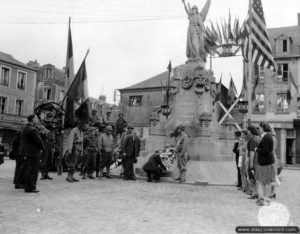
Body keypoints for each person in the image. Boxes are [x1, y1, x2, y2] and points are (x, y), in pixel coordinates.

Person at [22, 114, 44, 193]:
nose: (37, 120)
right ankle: (31, 187)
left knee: (29, 169)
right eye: (36, 118)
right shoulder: (33, 129)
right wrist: (42, 148)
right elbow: (39, 141)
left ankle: (28, 187)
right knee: (33, 171)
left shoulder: (26, 128)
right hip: (34, 152)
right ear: (32, 119)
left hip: (29, 152)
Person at [256, 122, 276, 206]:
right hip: (264, 163)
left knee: (266, 182)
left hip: (267, 163)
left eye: (259, 128)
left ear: (263, 128)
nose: (259, 129)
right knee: (263, 182)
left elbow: (266, 150)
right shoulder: (265, 136)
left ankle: (266, 200)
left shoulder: (267, 137)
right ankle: (263, 198)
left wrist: (257, 149)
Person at [247, 125, 261, 199]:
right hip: (258, 159)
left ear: (251, 131)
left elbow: (252, 152)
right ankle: (256, 192)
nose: (247, 132)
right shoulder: (258, 138)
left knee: (251, 177)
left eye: (248, 130)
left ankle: (254, 193)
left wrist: (251, 162)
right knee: (256, 177)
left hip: (254, 159)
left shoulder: (253, 139)